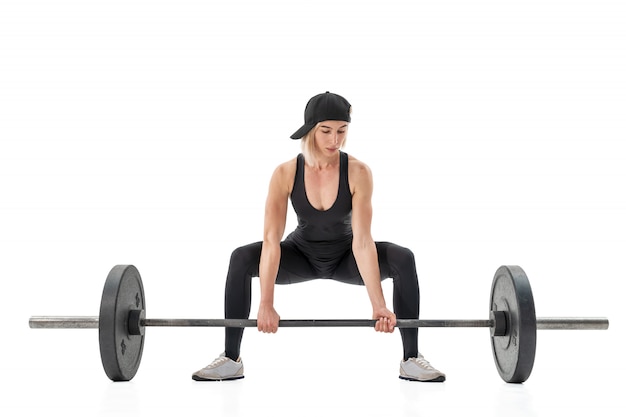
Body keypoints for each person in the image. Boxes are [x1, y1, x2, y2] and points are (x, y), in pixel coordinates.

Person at [192, 92, 445, 382]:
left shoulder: (358, 172)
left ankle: (411, 358)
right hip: (300, 257)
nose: (334, 140)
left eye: (342, 131)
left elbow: (362, 241)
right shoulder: (285, 173)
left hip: (347, 258)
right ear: (310, 129)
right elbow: (271, 240)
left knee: (403, 257)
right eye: (326, 131)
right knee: (241, 257)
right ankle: (231, 358)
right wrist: (266, 303)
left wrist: (378, 304)